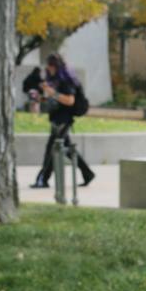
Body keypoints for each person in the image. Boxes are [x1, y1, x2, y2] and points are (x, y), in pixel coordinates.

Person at [29, 53, 94, 189]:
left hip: (63, 120)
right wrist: (39, 97)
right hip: (56, 118)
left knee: (52, 149)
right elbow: (53, 99)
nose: (49, 68)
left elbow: (70, 100)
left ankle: (43, 179)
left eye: (51, 65)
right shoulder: (53, 80)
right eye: (48, 65)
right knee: (67, 150)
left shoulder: (66, 81)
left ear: (56, 66)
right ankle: (87, 173)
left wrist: (52, 92)